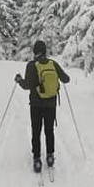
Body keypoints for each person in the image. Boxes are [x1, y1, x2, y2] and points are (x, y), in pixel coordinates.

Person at [15, 40, 70, 173]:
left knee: (36, 130)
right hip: (51, 104)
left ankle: (37, 159)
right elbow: (66, 79)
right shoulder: (53, 63)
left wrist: (19, 80)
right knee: (49, 130)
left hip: (36, 104)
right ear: (45, 50)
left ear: (35, 52)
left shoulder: (31, 65)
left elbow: (27, 85)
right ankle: (50, 156)